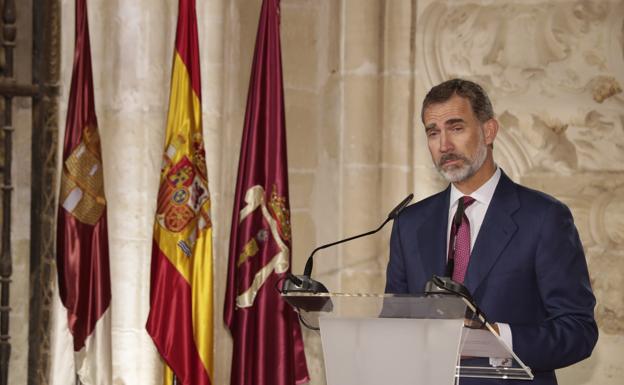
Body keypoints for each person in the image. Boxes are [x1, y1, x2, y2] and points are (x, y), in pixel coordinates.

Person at [385, 79, 598, 385]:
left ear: (488, 131)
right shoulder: (409, 223)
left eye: (456, 128)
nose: (444, 145)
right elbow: (394, 322)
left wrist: (497, 337)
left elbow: (578, 331)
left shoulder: (544, 217)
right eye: (433, 132)